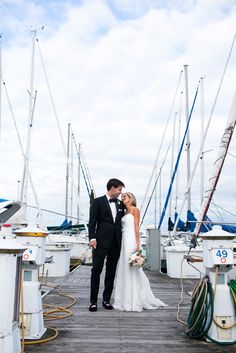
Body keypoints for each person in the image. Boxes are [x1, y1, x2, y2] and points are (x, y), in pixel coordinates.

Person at [113, 192, 167, 312]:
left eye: (125, 196)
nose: (123, 198)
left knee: (132, 266)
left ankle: (135, 298)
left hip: (131, 239)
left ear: (131, 198)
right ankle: (124, 298)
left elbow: (136, 227)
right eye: (122, 197)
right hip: (124, 239)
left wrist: (137, 244)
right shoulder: (124, 212)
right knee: (124, 267)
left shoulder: (134, 210)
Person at [88, 178, 125, 312]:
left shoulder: (121, 204)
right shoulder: (98, 202)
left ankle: (106, 300)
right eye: (120, 189)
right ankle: (93, 302)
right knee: (96, 270)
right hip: (100, 242)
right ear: (113, 188)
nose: (121, 192)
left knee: (111, 271)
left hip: (116, 242)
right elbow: (92, 222)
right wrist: (92, 238)